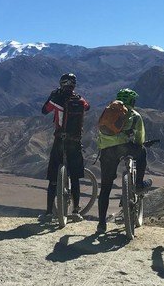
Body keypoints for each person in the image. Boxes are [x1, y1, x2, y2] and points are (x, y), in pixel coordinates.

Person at [96, 88, 152, 233]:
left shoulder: (109, 111)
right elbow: (140, 139)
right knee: (142, 152)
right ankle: (139, 183)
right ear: (132, 101)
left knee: (106, 188)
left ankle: (101, 224)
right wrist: (138, 144)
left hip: (106, 151)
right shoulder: (134, 115)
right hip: (125, 148)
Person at [40, 73, 90, 222]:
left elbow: (44, 110)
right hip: (75, 141)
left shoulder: (57, 99)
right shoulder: (80, 100)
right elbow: (87, 107)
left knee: (53, 177)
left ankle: (49, 212)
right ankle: (76, 211)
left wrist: (53, 96)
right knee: (75, 177)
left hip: (60, 140)